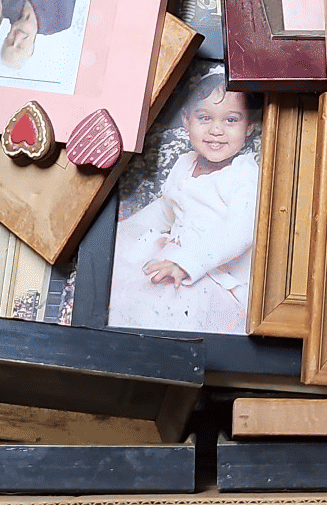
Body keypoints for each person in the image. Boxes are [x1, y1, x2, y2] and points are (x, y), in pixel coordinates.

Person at [108, 71, 260, 334]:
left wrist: (188, 262)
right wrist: (122, 233)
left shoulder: (243, 173)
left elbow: (241, 231)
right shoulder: (184, 164)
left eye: (231, 120)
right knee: (128, 277)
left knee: (172, 304)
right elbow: (165, 210)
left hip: (215, 276)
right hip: (175, 257)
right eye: (205, 118)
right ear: (186, 121)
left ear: (249, 127)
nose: (216, 130)